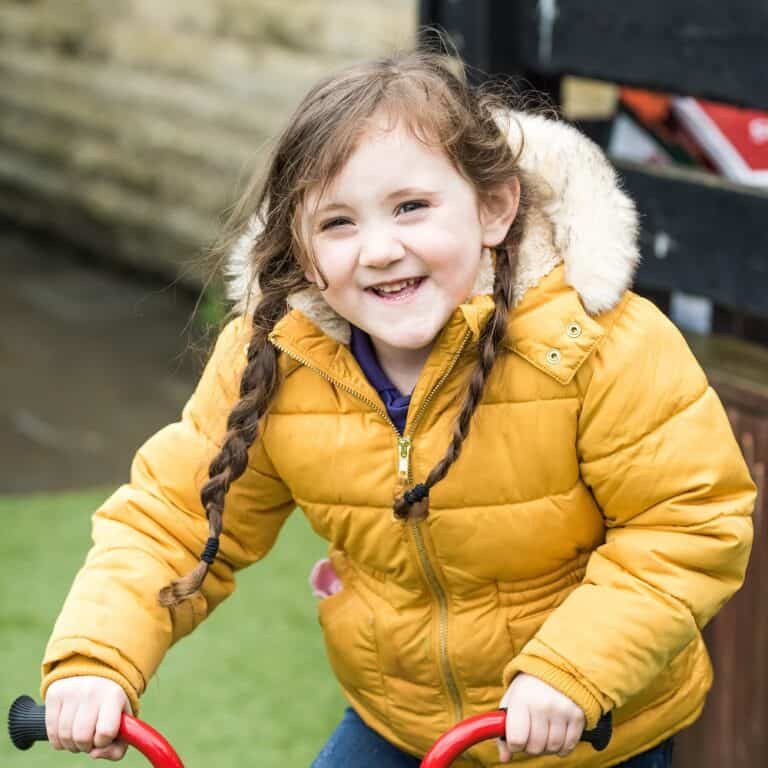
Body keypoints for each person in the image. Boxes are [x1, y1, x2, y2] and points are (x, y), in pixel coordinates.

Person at [41, 43, 756, 768]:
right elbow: (176, 516)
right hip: (401, 721)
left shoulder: (594, 344)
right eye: (337, 224)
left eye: (411, 207)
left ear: (493, 208)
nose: (379, 250)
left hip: (588, 728)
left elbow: (687, 521)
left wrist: (569, 671)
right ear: (299, 247)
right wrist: (98, 658)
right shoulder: (280, 357)